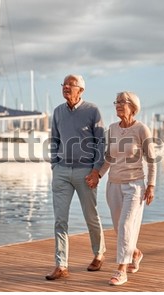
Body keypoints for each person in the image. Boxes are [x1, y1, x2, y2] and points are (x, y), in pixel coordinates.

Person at [45, 74, 106, 280]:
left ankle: (99, 253)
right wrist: (54, 164)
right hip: (61, 171)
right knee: (60, 220)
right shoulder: (58, 112)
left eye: (71, 85)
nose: (66, 88)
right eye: (64, 84)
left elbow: (101, 143)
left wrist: (96, 170)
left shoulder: (92, 111)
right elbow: (53, 140)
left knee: (91, 216)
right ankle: (61, 265)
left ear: (80, 90)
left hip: (85, 172)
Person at [95, 91, 156, 286]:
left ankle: (121, 270)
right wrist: (97, 175)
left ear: (133, 106)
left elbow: (152, 161)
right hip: (113, 185)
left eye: (123, 102)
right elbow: (109, 158)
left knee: (125, 226)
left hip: (134, 186)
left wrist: (151, 185)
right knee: (118, 227)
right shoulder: (112, 129)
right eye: (117, 102)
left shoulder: (141, 129)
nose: (118, 105)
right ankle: (135, 253)